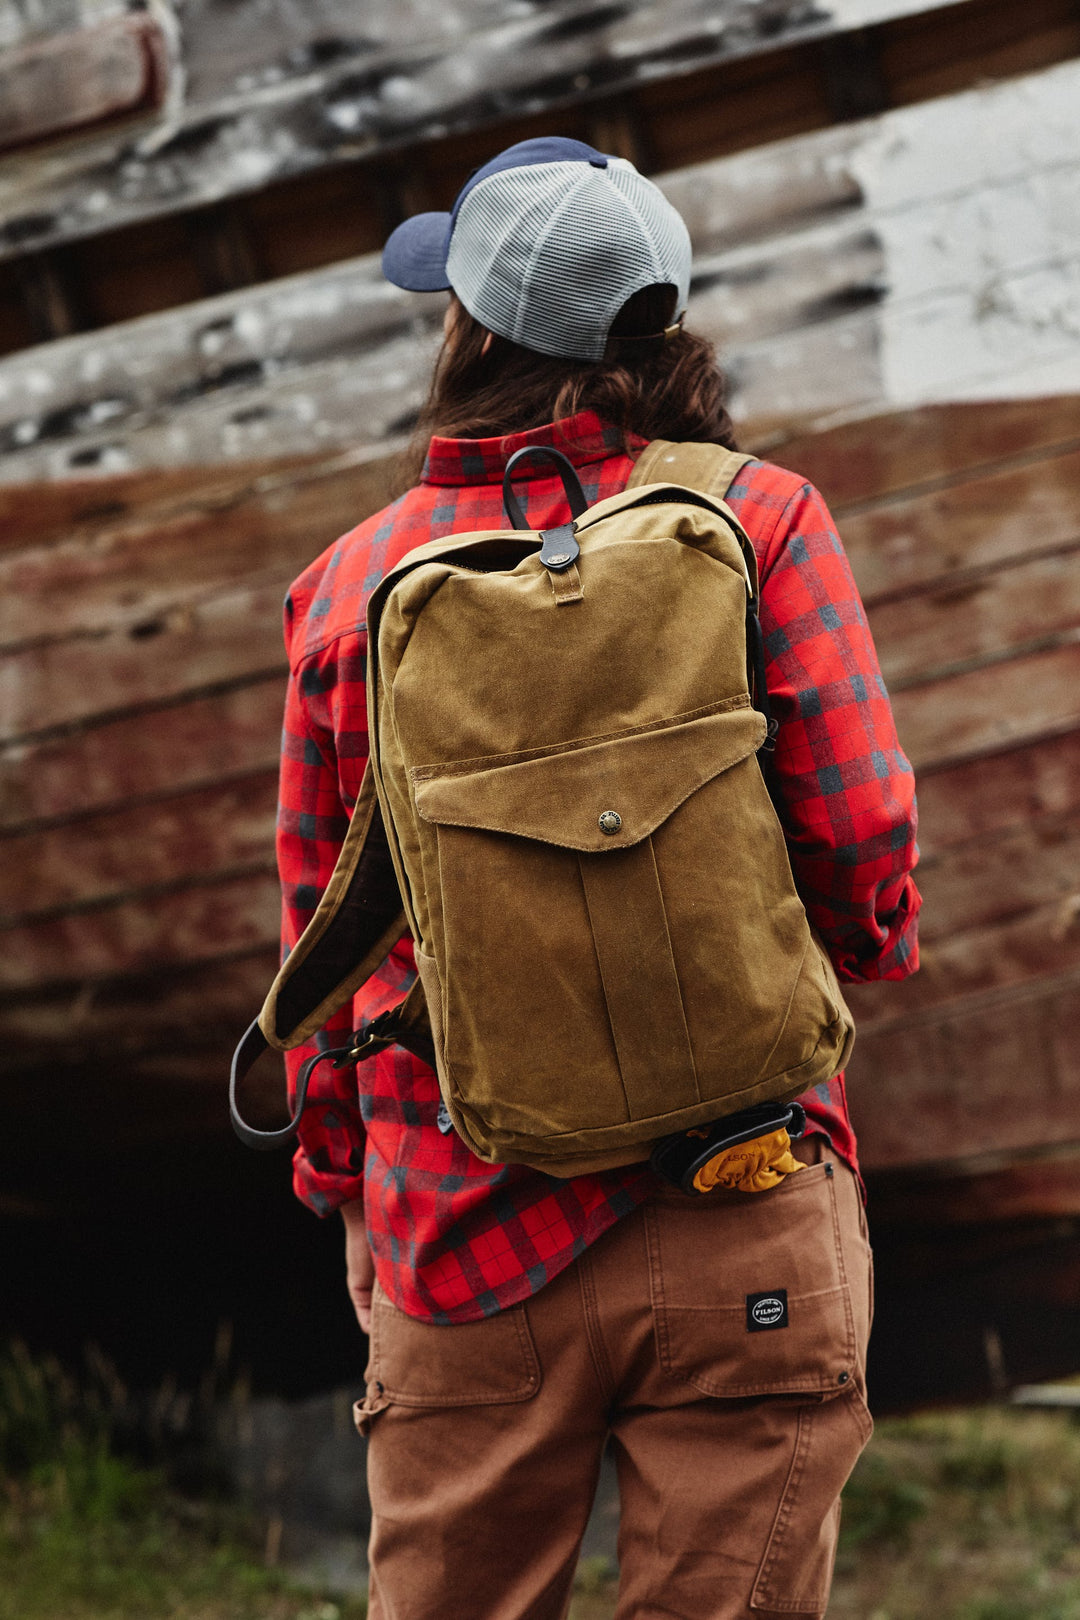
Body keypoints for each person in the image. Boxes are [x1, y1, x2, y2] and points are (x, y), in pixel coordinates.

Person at [276, 137, 921, 1620]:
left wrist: (346, 1186)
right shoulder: (762, 520)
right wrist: (802, 956)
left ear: (472, 327)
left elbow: (322, 941)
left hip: (462, 1222)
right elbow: (866, 844)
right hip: (743, 1194)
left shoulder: (348, 589)